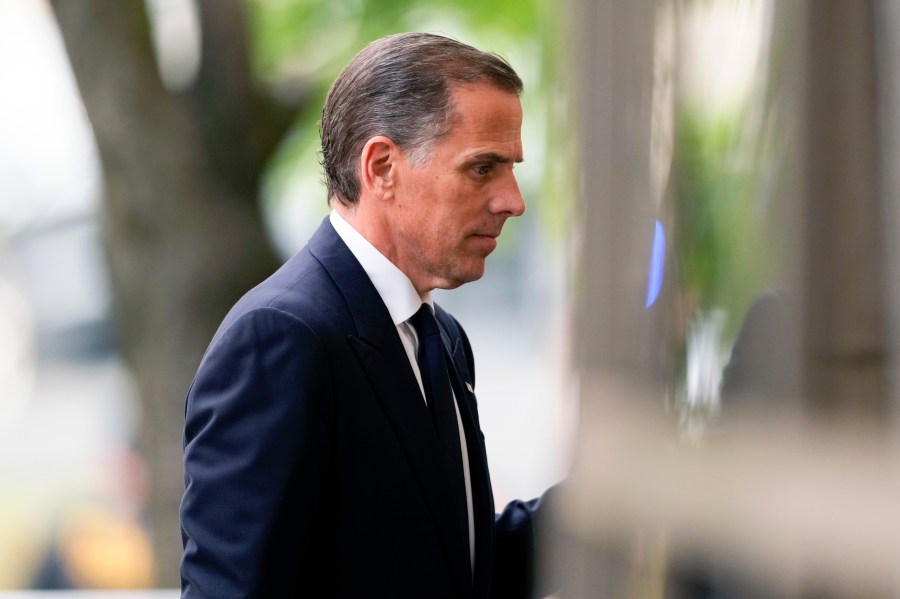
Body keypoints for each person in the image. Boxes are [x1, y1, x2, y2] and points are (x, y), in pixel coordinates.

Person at [180, 32, 548, 598]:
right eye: (482, 168)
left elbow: (457, 569)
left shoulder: (441, 338)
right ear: (381, 168)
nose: (512, 200)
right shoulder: (280, 338)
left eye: (511, 168)